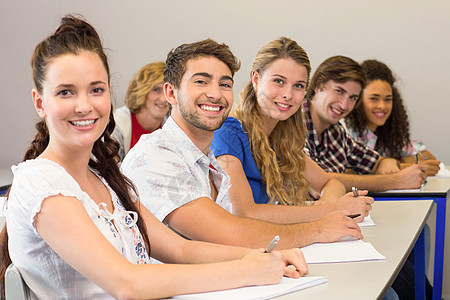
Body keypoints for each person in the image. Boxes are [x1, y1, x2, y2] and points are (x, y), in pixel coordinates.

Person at [0, 15, 308, 299]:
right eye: (66, 92)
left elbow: (180, 249)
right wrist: (243, 271)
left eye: (96, 90)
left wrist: (265, 256)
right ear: (40, 102)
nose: (84, 105)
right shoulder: (40, 181)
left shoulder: (105, 179)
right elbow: (127, 284)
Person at [121, 38, 365, 251]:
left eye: (225, 84)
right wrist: (319, 227)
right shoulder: (155, 155)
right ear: (171, 94)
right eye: (201, 82)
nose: (215, 94)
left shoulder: (210, 162)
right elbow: (233, 231)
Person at [209, 37, 373, 225]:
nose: (288, 94)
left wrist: (325, 207)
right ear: (256, 79)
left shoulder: (280, 139)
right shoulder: (227, 132)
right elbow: (244, 212)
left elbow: (331, 183)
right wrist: (330, 209)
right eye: (279, 81)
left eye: (298, 86)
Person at [302, 55, 428, 192]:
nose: (344, 105)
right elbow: (319, 180)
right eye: (339, 91)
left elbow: (376, 161)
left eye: (352, 98)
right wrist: (396, 180)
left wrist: (387, 162)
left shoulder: (336, 131)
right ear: (317, 86)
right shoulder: (294, 123)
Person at [343, 59, 440, 176]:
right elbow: (348, 172)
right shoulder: (344, 130)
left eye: (388, 99)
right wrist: (402, 166)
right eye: (374, 98)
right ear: (357, 99)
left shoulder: (387, 134)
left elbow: (429, 158)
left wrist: (393, 163)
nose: (382, 106)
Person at [112, 62, 169, 160]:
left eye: (168, 90)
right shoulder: (116, 125)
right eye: (156, 90)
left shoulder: (172, 126)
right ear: (142, 91)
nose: (163, 99)